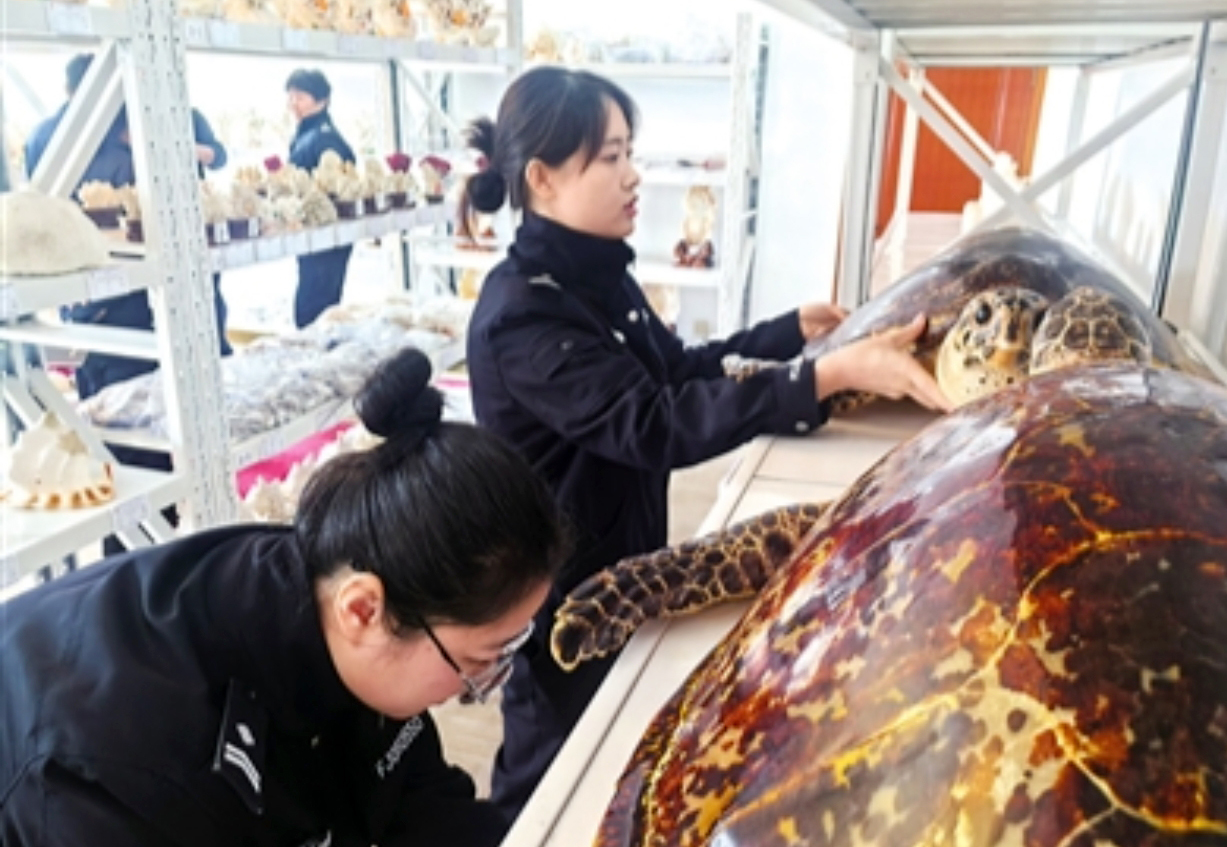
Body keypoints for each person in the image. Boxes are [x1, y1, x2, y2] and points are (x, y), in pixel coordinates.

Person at [461, 65, 953, 823]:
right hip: (559, 591)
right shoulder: (523, 316)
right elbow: (652, 423)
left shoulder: (595, 274)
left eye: (632, 152)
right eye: (610, 157)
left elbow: (679, 370)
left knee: (613, 751)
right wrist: (823, 376)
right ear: (542, 177)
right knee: (550, 773)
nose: (634, 175)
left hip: (623, 563)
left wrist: (788, 333)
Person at [0, 348, 571, 847]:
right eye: (476, 664)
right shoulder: (123, 771)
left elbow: (422, 809)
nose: (481, 684)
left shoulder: (355, 581)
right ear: (363, 610)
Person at [286, 68, 356, 329]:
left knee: (315, 307)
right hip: (315, 234)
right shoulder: (307, 134)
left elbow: (338, 184)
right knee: (315, 305)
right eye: (290, 97)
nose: (293, 104)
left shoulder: (324, 137)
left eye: (301, 97)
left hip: (327, 236)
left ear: (322, 100)